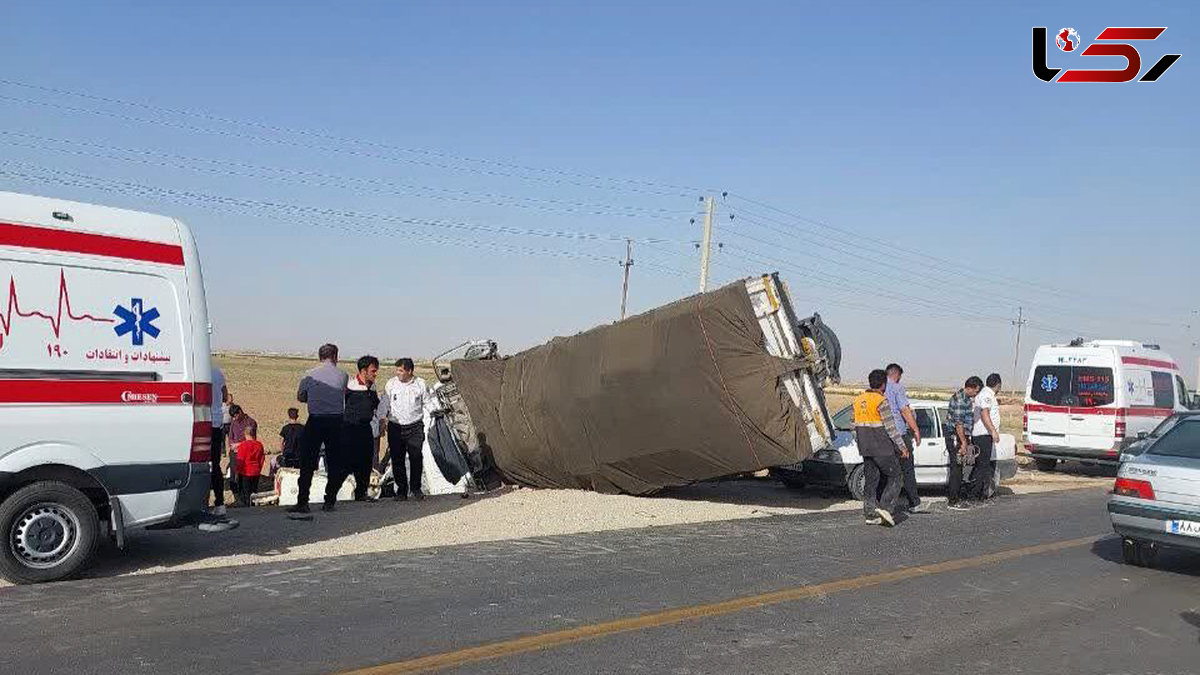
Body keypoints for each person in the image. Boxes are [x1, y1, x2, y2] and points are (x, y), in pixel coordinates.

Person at [288, 343, 349, 517]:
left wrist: (314, 398)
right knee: (334, 462)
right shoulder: (343, 375)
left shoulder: (309, 375)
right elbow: (341, 393)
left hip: (316, 420)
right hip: (336, 421)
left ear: (319, 357)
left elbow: (300, 396)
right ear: (335, 357)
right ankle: (330, 501)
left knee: (307, 462)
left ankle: (303, 502)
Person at [324, 355, 381, 510]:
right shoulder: (349, 386)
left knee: (365, 463)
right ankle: (329, 499)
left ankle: (361, 493)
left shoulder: (372, 388)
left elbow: (376, 406)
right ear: (363, 370)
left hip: (365, 430)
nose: (375, 374)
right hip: (349, 431)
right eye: (373, 371)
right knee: (343, 466)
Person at [852, 369, 907, 527]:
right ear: (883, 384)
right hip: (882, 448)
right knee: (896, 476)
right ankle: (886, 508)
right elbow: (891, 428)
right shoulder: (881, 401)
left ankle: (870, 513)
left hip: (866, 447)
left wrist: (861, 441)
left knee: (871, 480)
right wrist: (902, 447)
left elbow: (853, 425)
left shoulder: (858, 400)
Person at [385, 358, 431, 501]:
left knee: (416, 457)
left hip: (415, 426)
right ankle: (401, 491)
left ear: (409, 371)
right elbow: (384, 403)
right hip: (395, 427)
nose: (397, 373)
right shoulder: (391, 384)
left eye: (401, 370)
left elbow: (428, 403)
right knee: (397, 459)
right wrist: (381, 418)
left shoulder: (421, 384)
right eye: (397, 370)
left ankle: (416, 489)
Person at [885, 363, 928, 515]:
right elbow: (904, 410)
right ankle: (914, 502)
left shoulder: (880, 389)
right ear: (896, 375)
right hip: (900, 435)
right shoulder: (897, 388)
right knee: (907, 470)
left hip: (884, 435)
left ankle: (884, 504)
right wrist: (916, 430)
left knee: (887, 471)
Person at [945, 376, 983, 510]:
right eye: (976, 391)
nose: (976, 394)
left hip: (961, 436)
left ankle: (955, 496)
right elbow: (959, 424)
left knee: (960, 468)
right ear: (972, 387)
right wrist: (963, 443)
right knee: (956, 468)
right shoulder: (961, 400)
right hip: (957, 436)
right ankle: (953, 500)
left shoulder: (965, 399)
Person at [968, 373, 1003, 504]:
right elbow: (984, 413)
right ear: (998, 385)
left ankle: (980, 493)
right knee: (982, 466)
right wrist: (993, 431)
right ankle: (974, 494)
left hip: (983, 434)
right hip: (983, 435)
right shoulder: (987, 395)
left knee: (982, 466)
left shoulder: (984, 394)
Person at [209, 362, 229, 517]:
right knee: (215, 465)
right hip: (216, 423)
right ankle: (220, 503)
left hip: (198, 422)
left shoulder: (194, 367)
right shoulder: (217, 372)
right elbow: (224, 396)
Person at [227, 404, 257, 495]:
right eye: (232, 417)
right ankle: (234, 491)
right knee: (233, 470)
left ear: (240, 412)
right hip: (234, 451)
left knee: (244, 472)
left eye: (235, 416)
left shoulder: (251, 422)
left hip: (246, 451)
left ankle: (244, 492)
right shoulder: (233, 423)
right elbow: (230, 437)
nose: (234, 418)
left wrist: (239, 445)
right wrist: (232, 445)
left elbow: (252, 439)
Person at [236, 427, 265, 507]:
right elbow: (262, 458)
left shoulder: (243, 445)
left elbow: (240, 460)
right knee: (254, 491)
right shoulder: (259, 445)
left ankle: (246, 507)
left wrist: (237, 471)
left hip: (245, 472)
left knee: (246, 493)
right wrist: (259, 468)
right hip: (256, 471)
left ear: (245, 434)